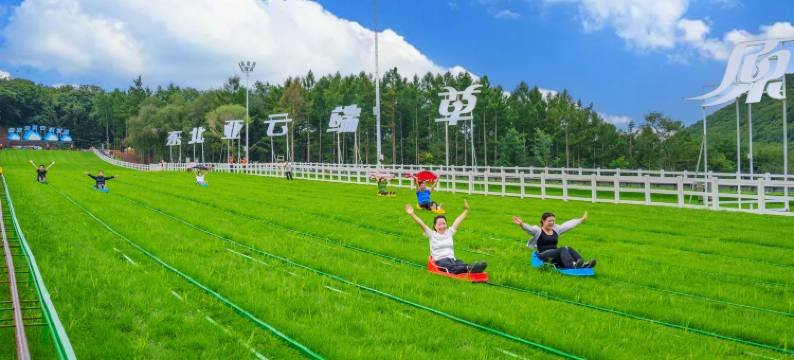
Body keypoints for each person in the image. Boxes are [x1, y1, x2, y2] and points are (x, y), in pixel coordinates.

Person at [405, 200, 486, 274]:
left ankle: (472, 268)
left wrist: (466, 211)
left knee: (459, 262)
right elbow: (421, 223)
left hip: (452, 260)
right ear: (435, 226)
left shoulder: (449, 233)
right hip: (440, 261)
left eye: (444, 223)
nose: (442, 226)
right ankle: (470, 268)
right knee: (451, 267)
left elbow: (458, 221)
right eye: (439, 224)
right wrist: (412, 213)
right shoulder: (432, 234)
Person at [512, 211, 596, 269]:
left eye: (553, 221)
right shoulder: (538, 231)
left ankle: (583, 264)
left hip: (554, 254)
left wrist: (581, 219)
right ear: (543, 221)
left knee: (568, 248)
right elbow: (529, 229)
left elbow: (568, 225)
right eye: (549, 221)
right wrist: (521, 224)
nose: (552, 223)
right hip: (543, 255)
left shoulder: (556, 229)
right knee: (562, 249)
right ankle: (572, 265)